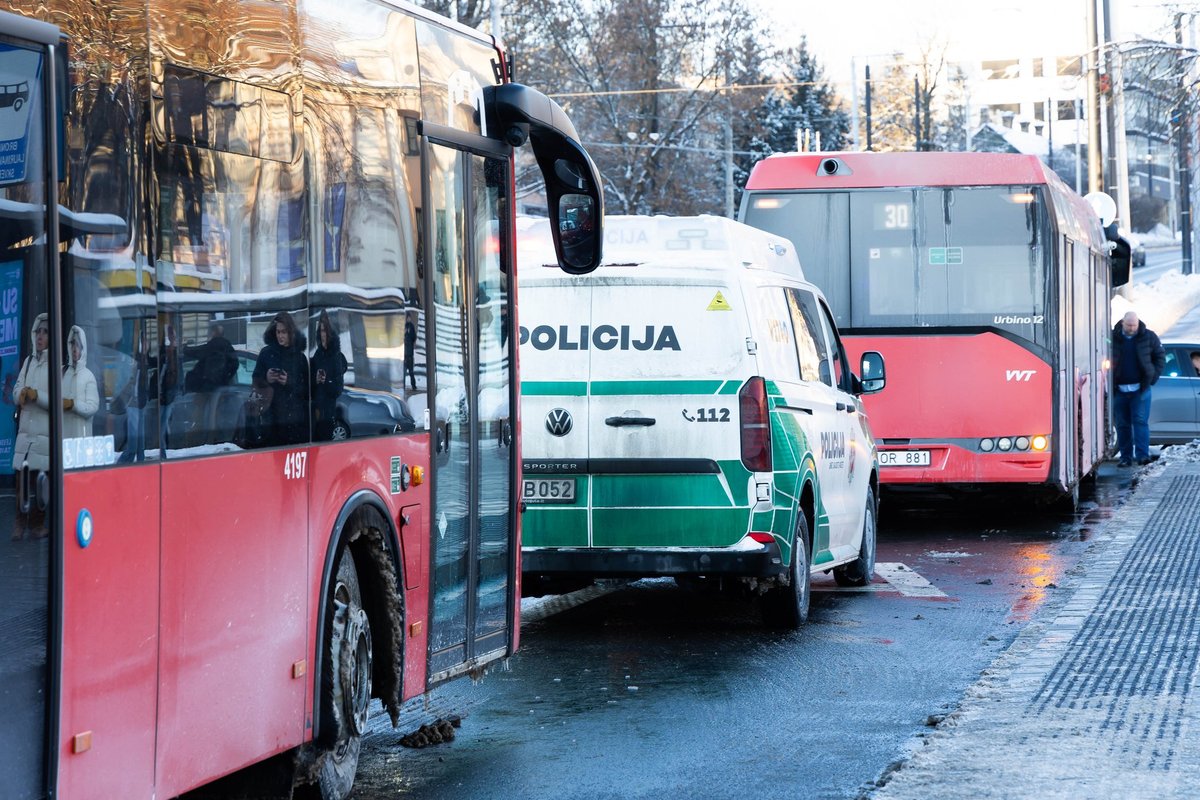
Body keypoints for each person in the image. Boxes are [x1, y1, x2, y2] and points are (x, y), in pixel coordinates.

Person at [12, 314, 50, 539]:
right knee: (21, 484)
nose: (41, 336)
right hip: (25, 435)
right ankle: (19, 524)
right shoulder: (28, 362)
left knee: (40, 486)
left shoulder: (57, 364)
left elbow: (59, 396)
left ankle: (36, 525)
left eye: (45, 332)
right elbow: (17, 388)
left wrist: (38, 396)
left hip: (43, 435)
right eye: (38, 332)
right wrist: (22, 395)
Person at [1111, 310, 1166, 467]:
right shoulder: (1113, 337)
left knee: (1140, 422)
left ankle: (1142, 456)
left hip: (1140, 389)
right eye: (1129, 325)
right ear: (1123, 323)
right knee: (1122, 424)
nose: (1132, 328)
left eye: (1134, 325)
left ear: (1138, 323)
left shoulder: (1149, 336)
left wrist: (1152, 378)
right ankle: (1125, 457)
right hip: (1119, 389)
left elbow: (1160, 356)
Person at [251, 310, 309, 446]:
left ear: (291, 332)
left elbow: (307, 390)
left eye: (284, 332)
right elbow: (255, 382)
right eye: (278, 332)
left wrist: (289, 382)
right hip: (271, 419)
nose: (280, 336)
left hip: (294, 421)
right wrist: (266, 379)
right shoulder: (266, 353)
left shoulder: (299, 357)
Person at [310, 310, 346, 441]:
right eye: (320, 331)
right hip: (315, 410)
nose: (322, 334)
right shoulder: (318, 354)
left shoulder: (335, 356)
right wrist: (315, 379)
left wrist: (326, 381)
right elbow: (310, 385)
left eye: (324, 331)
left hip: (327, 413)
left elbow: (338, 389)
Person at [62, 326, 99, 440]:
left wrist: (73, 404)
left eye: (78, 345)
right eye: (72, 344)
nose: (74, 349)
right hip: (62, 438)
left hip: (81, 438)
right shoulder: (62, 372)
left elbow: (92, 407)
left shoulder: (88, 376)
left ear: (83, 349)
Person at [184, 322, 237, 393]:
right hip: (223, 385)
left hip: (211, 387)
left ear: (213, 333)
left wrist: (184, 348)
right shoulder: (229, 348)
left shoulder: (214, 345)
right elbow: (235, 364)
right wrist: (227, 377)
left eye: (209, 332)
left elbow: (197, 351)